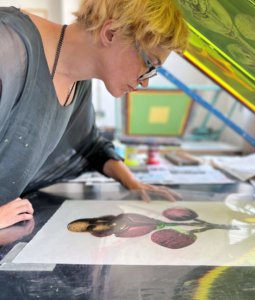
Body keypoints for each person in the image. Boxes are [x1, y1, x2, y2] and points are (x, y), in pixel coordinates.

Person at [0, 0, 189, 229]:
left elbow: (87, 145)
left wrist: (132, 182)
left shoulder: (78, 83)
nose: (146, 81)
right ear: (110, 33)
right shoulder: (8, 48)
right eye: (149, 64)